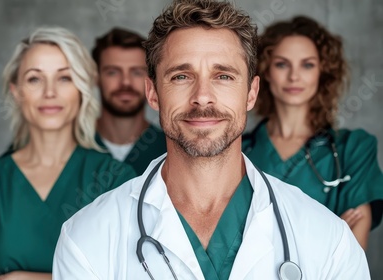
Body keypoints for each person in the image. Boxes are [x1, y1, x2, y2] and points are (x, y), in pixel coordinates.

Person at [52, 1, 369, 279]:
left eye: (224, 76)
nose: (202, 97)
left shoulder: (329, 241)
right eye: (181, 76)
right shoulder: (86, 238)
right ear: (152, 93)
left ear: (252, 93)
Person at [0, 27, 136, 279]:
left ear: (82, 90)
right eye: (34, 79)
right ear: (16, 91)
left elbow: (130, 273)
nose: (49, 92)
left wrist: (15, 278)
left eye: (64, 78)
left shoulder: (117, 181)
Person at [242, 16, 383, 250]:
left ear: (322, 72)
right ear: (265, 71)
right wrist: (327, 239)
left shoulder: (354, 148)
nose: (294, 76)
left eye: (307, 65)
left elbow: (350, 258)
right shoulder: (237, 150)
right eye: (281, 64)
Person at [92, 28, 166, 174]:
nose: (125, 82)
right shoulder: (72, 146)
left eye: (137, 72)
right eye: (112, 72)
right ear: (96, 77)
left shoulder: (170, 149)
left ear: (151, 80)